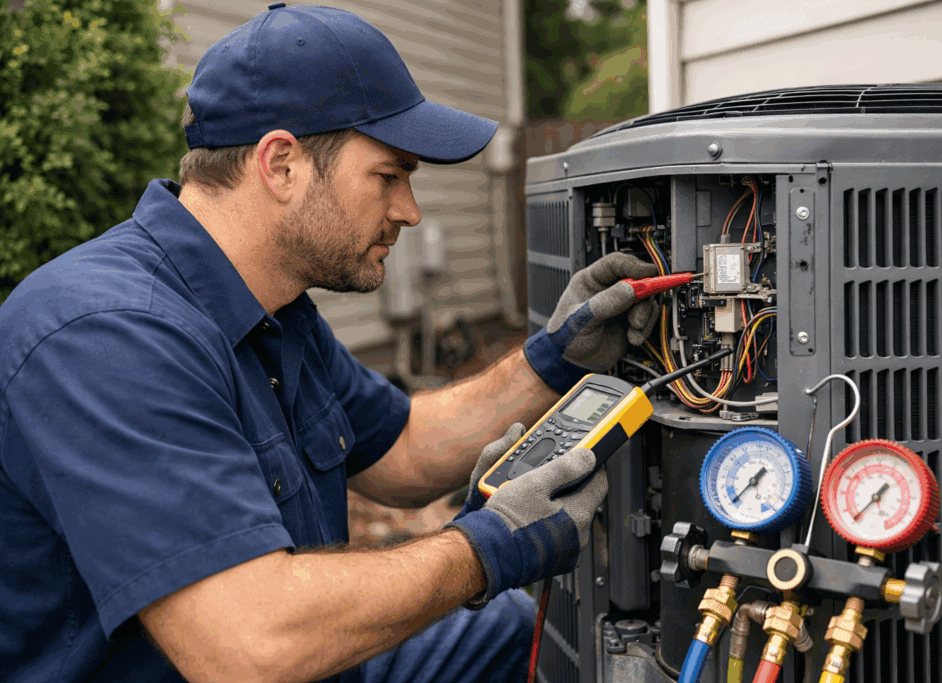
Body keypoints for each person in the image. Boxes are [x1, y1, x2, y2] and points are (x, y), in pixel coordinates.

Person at [0, 5, 659, 683]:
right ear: (281, 164)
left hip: (294, 655)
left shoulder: (273, 309)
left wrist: (554, 360)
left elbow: (402, 448)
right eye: (388, 176)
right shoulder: (105, 334)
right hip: (251, 654)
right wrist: (482, 550)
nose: (409, 211)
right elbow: (249, 645)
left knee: (505, 633)